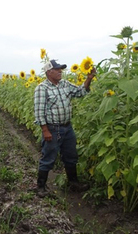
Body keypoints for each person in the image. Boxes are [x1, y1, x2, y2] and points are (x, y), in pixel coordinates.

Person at [33, 59, 96, 196]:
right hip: (52, 129)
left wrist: (89, 78)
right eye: (57, 69)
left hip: (67, 128)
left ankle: (73, 183)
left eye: (61, 69)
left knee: (71, 156)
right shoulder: (42, 88)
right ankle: (41, 186)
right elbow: (39, 112)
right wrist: (45, 130)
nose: (60, 71)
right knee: (48, 157)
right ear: (49, 72)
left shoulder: (64, 84)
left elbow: (80, 92)